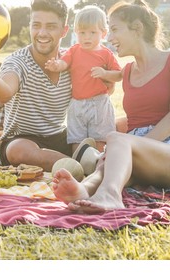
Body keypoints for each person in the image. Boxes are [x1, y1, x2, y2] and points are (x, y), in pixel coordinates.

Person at [0, 0, 72, 171]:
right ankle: (78, 166)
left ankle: (75, 162)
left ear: (64, 31)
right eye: (36, 25)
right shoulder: (17, 62)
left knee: (107, 129)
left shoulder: (70, 61)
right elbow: (4, 94)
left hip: (59, 136)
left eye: (50, 26)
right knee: (18, 152)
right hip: (21, 139)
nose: (42, 33)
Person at [71, 0, 170, 172]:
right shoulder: (128, 71)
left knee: (115, 152)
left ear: (137, 28)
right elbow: (144, 115)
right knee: (113, 147)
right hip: (136, 150)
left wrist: (137, 145)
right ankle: (90, 184)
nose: (109, 38)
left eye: (115, 29)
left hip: (158, 149)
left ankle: (100, 173)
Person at [44, 5, 122, 153]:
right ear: (76, 33)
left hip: (99, 102)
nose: (87, 37)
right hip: (77, 103)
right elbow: (64, 63)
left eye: (92, 32)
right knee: (76, 139)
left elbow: (118, 75)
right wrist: (56, 65)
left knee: (100, 139)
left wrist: (104, 74)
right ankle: (78, 166)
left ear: (103, 33)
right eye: (82, 32)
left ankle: (99, 165)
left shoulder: (106, 54)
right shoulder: (73, 50)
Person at [52, 132, 170, 214]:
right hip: (150, 153)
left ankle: (111, 194)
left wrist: (128, 144)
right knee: (114, 163)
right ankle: (86, 189)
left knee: (118, 140)